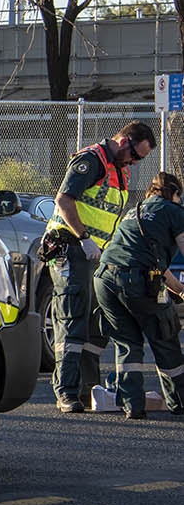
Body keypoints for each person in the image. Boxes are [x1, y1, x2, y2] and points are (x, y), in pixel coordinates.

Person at [41, 120, 155, 413]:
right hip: (72, 247)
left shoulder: (119, 171)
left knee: (95, 324)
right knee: (72, 317)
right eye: (136, 155)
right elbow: (64, 200)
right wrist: (84, 238)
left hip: (94, 255)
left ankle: (87, 389)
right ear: (125, 140)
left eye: (140, 159)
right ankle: (65, 392)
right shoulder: (92, 160)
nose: (135, 162)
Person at [93, 172, 184, 420]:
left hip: (104, 280)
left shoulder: (137, 210)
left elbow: (151, 261)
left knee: (127, 343)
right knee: (164, 334)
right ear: (175, 193)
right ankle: (179, 401)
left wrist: (180, 290)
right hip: (136, 281)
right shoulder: (174, 211)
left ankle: (132, 405)